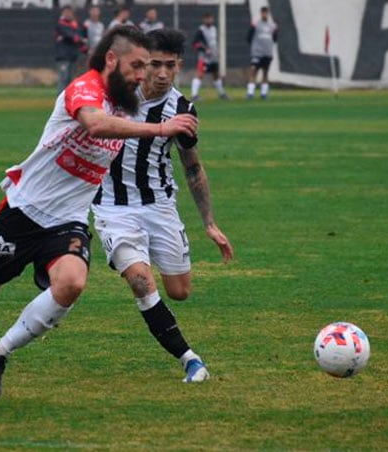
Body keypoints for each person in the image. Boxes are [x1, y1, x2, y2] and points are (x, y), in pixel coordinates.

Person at [0, 26, 199, 406]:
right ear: (111, 60)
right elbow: (94, 122)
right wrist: (159, 128)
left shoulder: (128, 104)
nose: (143, 75)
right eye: (137, 65)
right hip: (23, 212)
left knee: (72, 283)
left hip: (67, 220)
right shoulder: (85, 88)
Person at [91, 28, 234, 383]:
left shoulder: (182, 109)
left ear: (179, 66)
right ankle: (190, 359)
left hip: (159, 205)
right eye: (155, 64)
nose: (162, 73)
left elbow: (192, 166)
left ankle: (143, 254)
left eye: (170, 65)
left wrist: (209, 222)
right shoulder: (113, 96)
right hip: (113, 207)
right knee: (141, 281)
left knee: (179, 291)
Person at [191, 12, 228, 101]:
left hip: (213, 57)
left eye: (211, 18)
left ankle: (221, 93)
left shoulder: (214, 29)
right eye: (207, 19)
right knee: (200, 75)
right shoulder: (201, 30)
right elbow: (195, 43)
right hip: (204, 58)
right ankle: (194, 95)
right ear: (204, 20)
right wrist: (205, 50)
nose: (209, 20)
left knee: (216, 75)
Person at [246, 6, 278, 100]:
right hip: (257, 53)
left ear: (268, 13)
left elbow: (275, 40)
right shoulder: (256, 24)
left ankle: (264, 93)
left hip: (267, 53)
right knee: (253, 71)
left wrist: (276, 31)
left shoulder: (271, 25)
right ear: (261, 13)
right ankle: (250, 93)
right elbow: (248, 38)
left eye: (266, 12)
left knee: (265, 73)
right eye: (263, 13)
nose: (264, 14)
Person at [55, 6, 87, 93]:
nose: (68, 14)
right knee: (63, 79)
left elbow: (81, 35)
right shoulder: (60, 25)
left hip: (73, 57)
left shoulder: (76, 25)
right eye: (66, 12)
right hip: (63, 57)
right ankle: (60, 103)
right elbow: (70, 35)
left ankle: (69, 101)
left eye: (69, 12)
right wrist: (80, 39)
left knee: (71, 80)